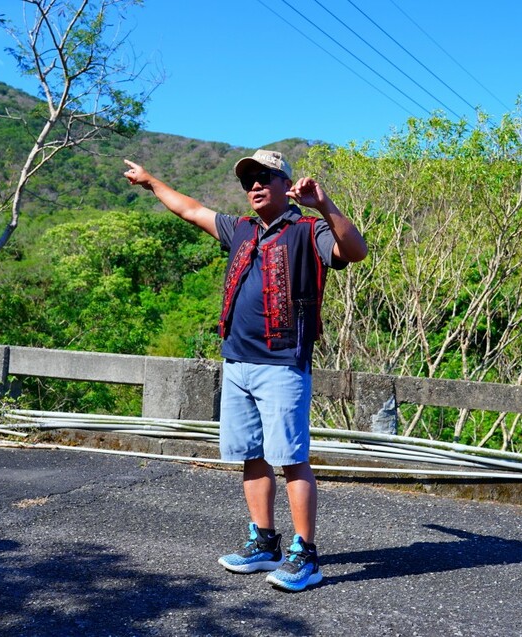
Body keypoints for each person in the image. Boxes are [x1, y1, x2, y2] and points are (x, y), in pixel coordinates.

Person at [123, 149, 367, 592]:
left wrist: (326, 206)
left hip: (282, 365)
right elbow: (191, 209)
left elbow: (356, 250)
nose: (254, 185)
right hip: (237, 363)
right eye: (248, 180)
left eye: (264, 177)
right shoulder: (241, 229)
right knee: (250, 456)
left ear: (285, 184)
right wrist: (150, 180)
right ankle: (265, 543)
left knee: (291, 460)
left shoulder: (308, 230)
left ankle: (306, 556)